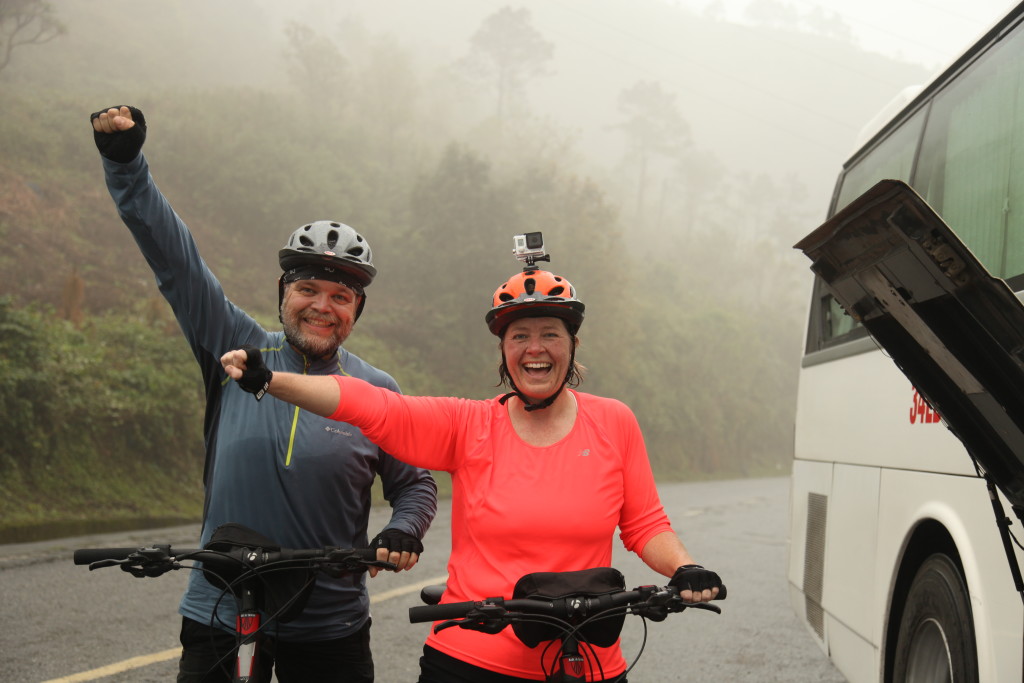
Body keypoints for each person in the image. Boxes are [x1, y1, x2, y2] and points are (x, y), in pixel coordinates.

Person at [221, 261, 725, 682]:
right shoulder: (469, 424)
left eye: (550, 334)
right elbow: (371, 406)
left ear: (571, 345)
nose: (535, 348)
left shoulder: (614, 421)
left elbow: (644, 524)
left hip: (589, 655)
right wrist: (272, 380)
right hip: (471, 656)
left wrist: (684, 567)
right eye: (519, 335)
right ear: (504, 351)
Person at [90, 105, 437, 683]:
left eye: (341, 296)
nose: (322, 307)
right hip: (221, 608)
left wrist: (404, 529)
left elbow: (416, 481)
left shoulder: (376, 390)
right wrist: (125, 164)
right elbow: (176, 261)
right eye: (308, 288)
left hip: (329, 624)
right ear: (283, 291)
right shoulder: (234, 345)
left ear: (357, 310)